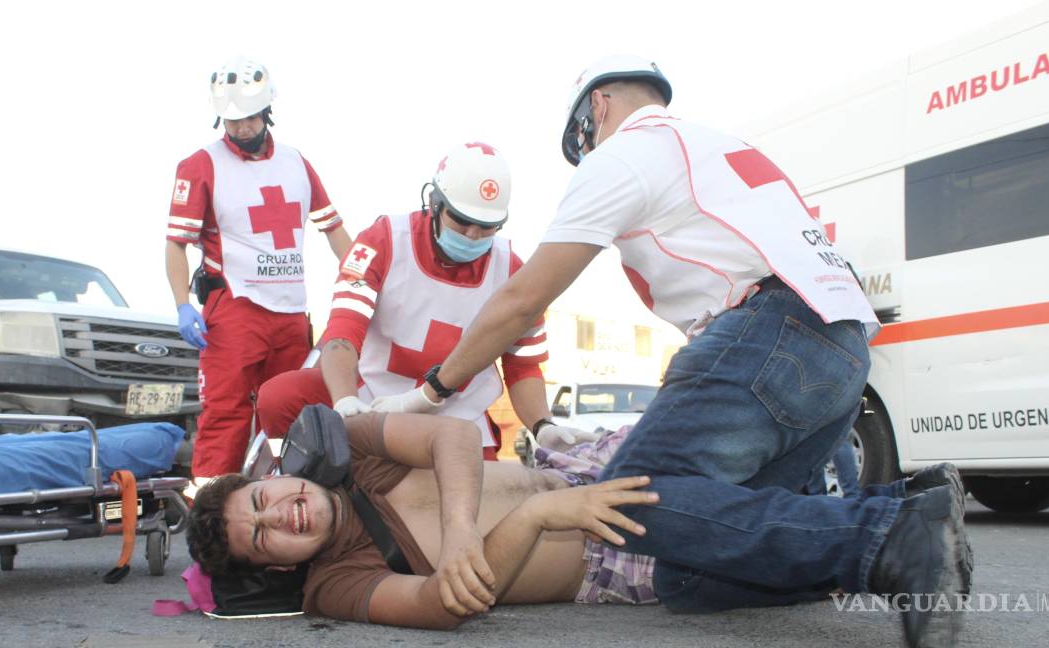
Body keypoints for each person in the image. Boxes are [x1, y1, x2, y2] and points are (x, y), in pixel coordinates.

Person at [376, 55, 972, 647]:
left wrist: (433, 391)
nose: (585, 148)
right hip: (841, 343)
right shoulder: (714, 144)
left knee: (636, 503)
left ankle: (891, 535)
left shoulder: (621, 157)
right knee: (687, 575)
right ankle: (918, 507)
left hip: (773, 329)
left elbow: (522, 301)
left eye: (582, 136)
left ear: (598, 107)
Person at [186, 412, 964, 631]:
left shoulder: (351, 453)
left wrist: (461, 533)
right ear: (282, 565)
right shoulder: (335, 584)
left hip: (584, 466)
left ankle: (897, 522)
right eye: (266, 536)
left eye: (263, 499)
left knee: (734, 497)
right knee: (757, 568)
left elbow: (452, 432)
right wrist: (539, 520)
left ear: (275, 476)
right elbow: (443, 604)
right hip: (607, 567)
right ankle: (905, 515)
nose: (280, 515)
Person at [254, 143, 591, 460]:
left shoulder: (512, 270)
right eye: (461, 221)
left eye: (486, 228)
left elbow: (523, 365)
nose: (472, 236)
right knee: (278, 398)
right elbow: (342, 332)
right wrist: (345, 401)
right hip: (371, 397)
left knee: (482, 501)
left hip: (457, 414)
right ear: (434, 202)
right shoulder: (383, 240)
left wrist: (542, 426)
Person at [164, 56, 353, 490]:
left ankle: (287, 507)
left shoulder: (295, 163)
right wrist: (180, 305)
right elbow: (176, 243)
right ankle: (211, 522)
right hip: (235, 309)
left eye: (248, 118)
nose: (241, 129)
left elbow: (334, 230)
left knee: (290, 416)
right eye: (231, 121)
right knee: (226, 414)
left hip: (291, 313)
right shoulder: (201, 165)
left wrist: (363, 281)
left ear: (267, 111)